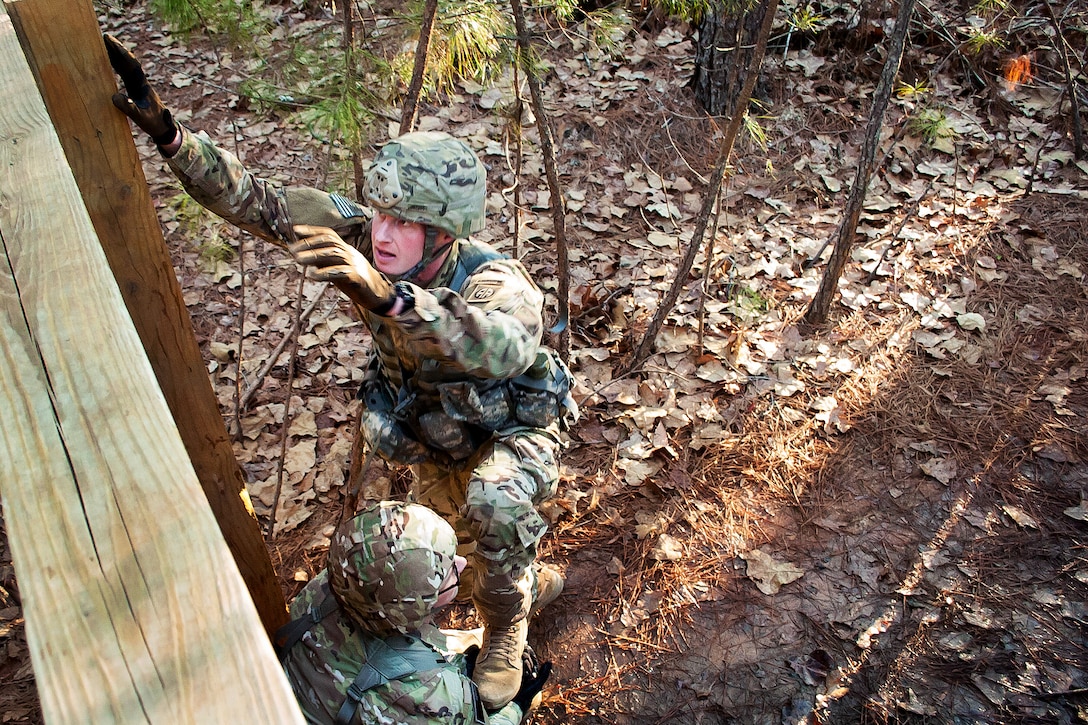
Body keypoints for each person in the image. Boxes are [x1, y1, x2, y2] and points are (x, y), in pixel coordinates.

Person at [105, 35, 577, 710]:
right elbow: (260, 203)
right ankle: (519, 582)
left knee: (496, 505)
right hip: (439, 430)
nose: (381, 235)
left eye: (405, 223)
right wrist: (172, 135)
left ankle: (506, 627)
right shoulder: (365, 239)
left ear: (444, 234)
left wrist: (393, 299)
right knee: (460, 548)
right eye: (380, 213)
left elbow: (500, 347)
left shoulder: (493, 279)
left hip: (512, 428)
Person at [277, 500, 550, 724]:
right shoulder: (432, 696)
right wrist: (515, 707)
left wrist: (460, 664)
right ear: (412, 611)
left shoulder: (323, 591)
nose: (463, 562)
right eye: (447, 574)